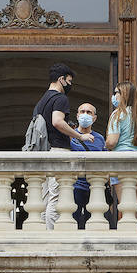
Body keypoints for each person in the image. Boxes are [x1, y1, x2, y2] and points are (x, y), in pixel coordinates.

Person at [33, 63, 94, 229]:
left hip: (44, 152)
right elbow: (58, 122)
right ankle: (53, 237)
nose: (70, 85)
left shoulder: (42, 100)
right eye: (69, 81)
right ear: (61, 79)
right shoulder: (60, 98)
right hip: (58, 150)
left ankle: (44, 235)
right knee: (56, 198)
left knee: (45, 198)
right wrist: (80, 136)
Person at [105, 81, 137, 225]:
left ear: (123, 95)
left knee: (125, 208)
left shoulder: (118, 114)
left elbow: (112, 142)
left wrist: (105, 144)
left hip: (121, 163)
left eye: (116, 93)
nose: (114, 96)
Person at [69, 100, 106, 228]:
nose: (85, 114)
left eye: (89, 112)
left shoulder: (100, 138)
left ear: (94, 118)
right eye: (82, 112)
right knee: (73, 222)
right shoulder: (71, 136)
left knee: (95, 223)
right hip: (75, 186)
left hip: (94, 186)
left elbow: (105, 160)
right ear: (77, 116)